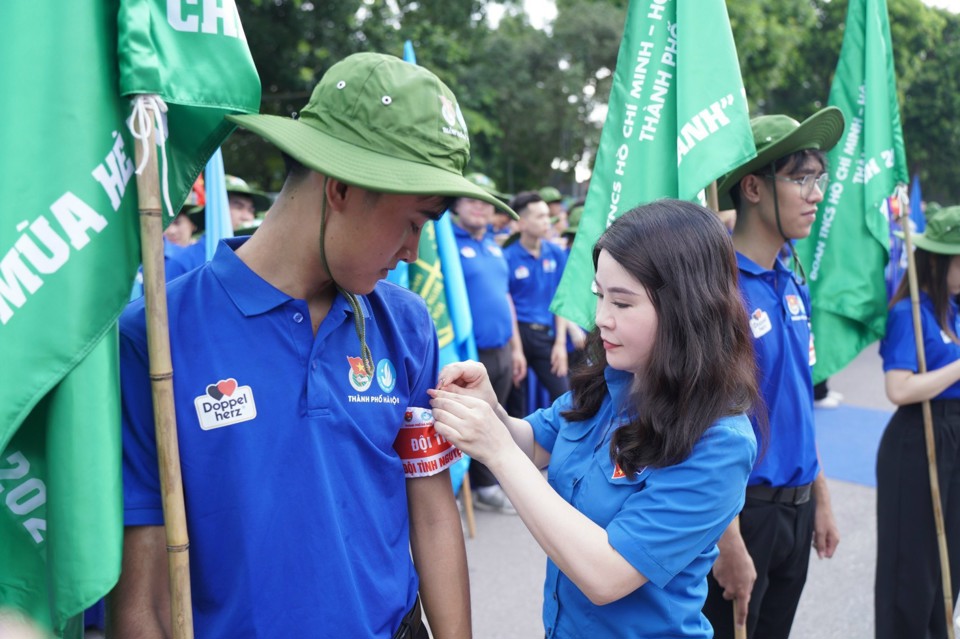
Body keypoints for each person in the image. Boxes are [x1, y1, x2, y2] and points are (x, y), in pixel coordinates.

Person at [109, 52, 515, 639]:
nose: (414, 253)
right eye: (413, 222)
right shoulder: (154, 337)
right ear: (342, 188)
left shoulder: (406, 322)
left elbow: (431, 510)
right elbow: (140, 598)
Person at [429, 200, 761, 638]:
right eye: (600, 296)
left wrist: (495, 447)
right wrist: (492, 409)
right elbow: (535, 443)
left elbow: (607, 574)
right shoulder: (613, 380)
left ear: (687, 308)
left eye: (622, 303)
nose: (602, 318)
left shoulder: (720, 441)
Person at [703, 108, 844, 639]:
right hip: (743, 515)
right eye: (801, 178)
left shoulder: (790, 278)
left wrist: (820, 497)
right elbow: (705, 424)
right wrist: (728, 541)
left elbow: (796, 403)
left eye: (819, 179)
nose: (815, 193)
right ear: (754, 188)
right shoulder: (720, 292)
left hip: (797, 507)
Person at [876, 205, 960, 639]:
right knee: (913, 567)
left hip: (953, 436)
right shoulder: (910, 312)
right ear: (938, 259)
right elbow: (900, 389)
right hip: (920, 437)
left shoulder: (953, 309)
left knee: (948, 563)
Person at [451, 172, 527, 513]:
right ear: (457, 203)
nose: (480, 208)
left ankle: (485, 484)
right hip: (469, 351)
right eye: (472, 200)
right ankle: (468, 487)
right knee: (466, 417)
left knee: (494, 417)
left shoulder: (495, 245)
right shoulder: (446, 245)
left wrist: (517, 348)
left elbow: (505, 297)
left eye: (486, 202)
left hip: (501, 348)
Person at [503, 191, 571, 417]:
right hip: (517, 335)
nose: (547, 221)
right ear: (521, 223)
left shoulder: (556, 253)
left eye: (547, 215)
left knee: (565, 396)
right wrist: (516, 350)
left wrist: (560, 344)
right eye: (540, 216)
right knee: (516, 406)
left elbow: (560, 299)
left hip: (546, 336)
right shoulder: (507, 256)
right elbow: (508, 305)